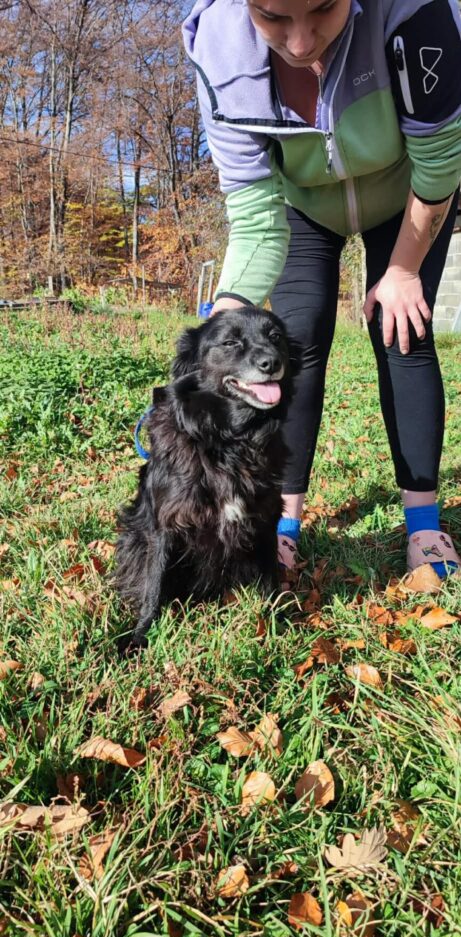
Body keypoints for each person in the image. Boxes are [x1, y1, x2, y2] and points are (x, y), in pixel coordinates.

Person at [182, 0, 461, 582]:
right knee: (291, 344)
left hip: (409, 194)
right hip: (303, 208)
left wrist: (403, 270)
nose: (300, 43)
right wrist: (226, 322)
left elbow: (440, 167)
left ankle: (424, 524)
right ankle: (280, 526)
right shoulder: (219, 47)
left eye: (323, 9)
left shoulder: (417, 13)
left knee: (403, 334)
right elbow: (255, 219)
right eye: (272, 17)